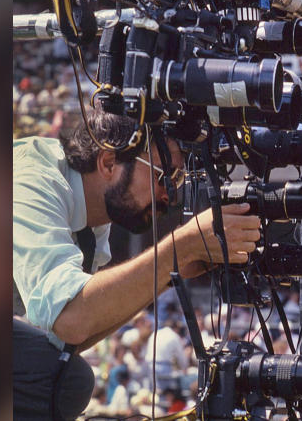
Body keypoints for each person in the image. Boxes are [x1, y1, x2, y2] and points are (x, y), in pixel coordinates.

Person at [13, 107, 262, 420]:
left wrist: (170, 273)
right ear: (108, 163)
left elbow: (68, 337)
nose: (169, 196)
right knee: (67, 381)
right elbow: (71, 317)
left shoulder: (92, 211)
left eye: (178, 180)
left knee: (66, 380)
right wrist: (181, 245)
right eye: (163, 176)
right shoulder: (33, 182)